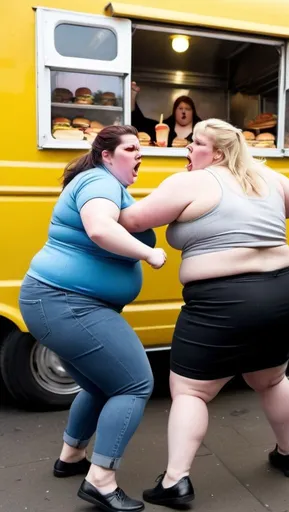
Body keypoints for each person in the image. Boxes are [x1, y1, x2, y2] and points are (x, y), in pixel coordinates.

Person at [118, 118, 289, 507]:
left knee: (191, 390)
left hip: (225, 300)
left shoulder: (192, 181)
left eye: (196, 144)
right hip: (286, 291)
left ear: (219, 153)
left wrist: (98, 198)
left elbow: (134, 220)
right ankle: (288, 455)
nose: (187, 149)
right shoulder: (264, 177)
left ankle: (176, 480)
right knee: (272, 379)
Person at [18, 125, 167, 512]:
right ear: (106, 155)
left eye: (141, 149)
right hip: (66, 302)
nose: (140, 155)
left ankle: (71, 457)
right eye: (131, 148)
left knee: (102, 384)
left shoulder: (103, 182)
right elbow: (100, 228)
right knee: (135, 383)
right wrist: (149, 254)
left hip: (61, 302)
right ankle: (101, 480)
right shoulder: (98, 183)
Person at [130, 82, 201, 146]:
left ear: (193, 112)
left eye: (187, 109)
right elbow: (139, 122)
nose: (183, 112)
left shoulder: (201, 131)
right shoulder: (163, 128)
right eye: (180, 108)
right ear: (174, 111)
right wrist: (132, 96)